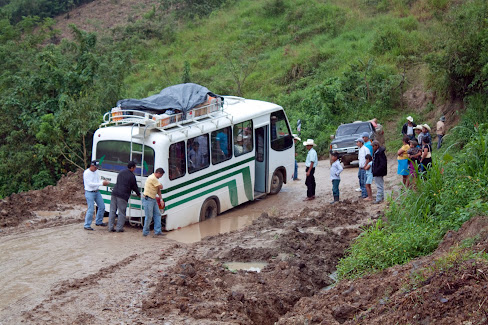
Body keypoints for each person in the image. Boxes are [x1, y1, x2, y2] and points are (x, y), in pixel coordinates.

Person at [108, 161, 141, 233]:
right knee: (122, 212)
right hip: (123, 195)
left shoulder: (121, 172)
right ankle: (119, 228)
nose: (135, 169)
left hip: (114, 193)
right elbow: (134, 187)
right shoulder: (132, 176)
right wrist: (139, 194)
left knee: (112, 211)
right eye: (135, 167)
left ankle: (110, 227)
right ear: (132, 168)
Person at [83, 160, 110, 230]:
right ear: (91, 166)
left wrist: (103, 182)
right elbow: (90, 184)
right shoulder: (86, 173)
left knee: (102, 206)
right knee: (91, 209)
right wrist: (101, 183)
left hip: (96, 191)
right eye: (95, 167)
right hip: (89, 192)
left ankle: (99, 221)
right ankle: (87, 225)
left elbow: (97, 181)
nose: (96, 169)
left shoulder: (96, 172)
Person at [142, 168, 166, 237]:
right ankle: (145, 232)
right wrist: (160, 184)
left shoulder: (155, 180)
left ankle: (158, 231)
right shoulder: (153, 178)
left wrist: (161, 199)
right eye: (161, 175)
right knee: (149, 216)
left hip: (152, 199)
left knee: (157, 214)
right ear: (158, 173)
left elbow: (158, 190)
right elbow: (161, 187)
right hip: (148, 199)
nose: (161, 177)